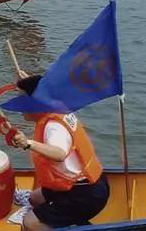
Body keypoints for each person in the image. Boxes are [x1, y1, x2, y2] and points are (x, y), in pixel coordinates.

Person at [9, 75, 109, 231]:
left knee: (30, 223)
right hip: (85, 184)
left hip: (85, 194)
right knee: (34, 199)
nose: (19, 106)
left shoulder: (54, 127)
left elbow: (60, 153)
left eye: (22, 100)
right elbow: (45, 90)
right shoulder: (55, 106)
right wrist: (29, 81)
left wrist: (27, 143)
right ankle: (73, 223)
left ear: (36, 103)